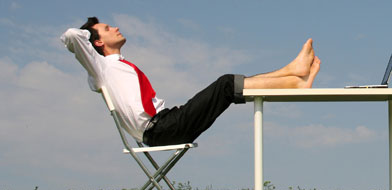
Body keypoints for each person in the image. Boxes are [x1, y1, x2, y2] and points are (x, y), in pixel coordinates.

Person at [61, 17, 321, 146]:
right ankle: (294, 78)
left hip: (166, 122)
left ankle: (292, 73)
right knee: (226, 84)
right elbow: (71, 36)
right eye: (107, 29)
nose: (115, 28)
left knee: (228, 86)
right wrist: (89, 28)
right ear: (97, 42)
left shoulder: (117, 66)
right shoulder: (100, 68)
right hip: (160, 129)